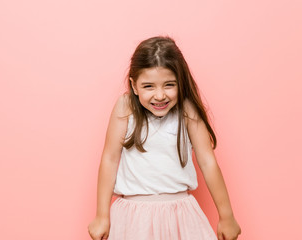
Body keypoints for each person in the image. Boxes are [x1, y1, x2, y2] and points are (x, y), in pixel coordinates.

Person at [88, 36, 241, 240]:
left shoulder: (186, 110)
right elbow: (110, 158)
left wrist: (227, 216)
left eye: (169, 84)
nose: (159, 96)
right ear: (134, 86)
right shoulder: (125, 107)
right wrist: (102, 215)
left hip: (180, 216)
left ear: (181, 82)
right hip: (133, 219)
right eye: (148, 86)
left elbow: (207, 161)